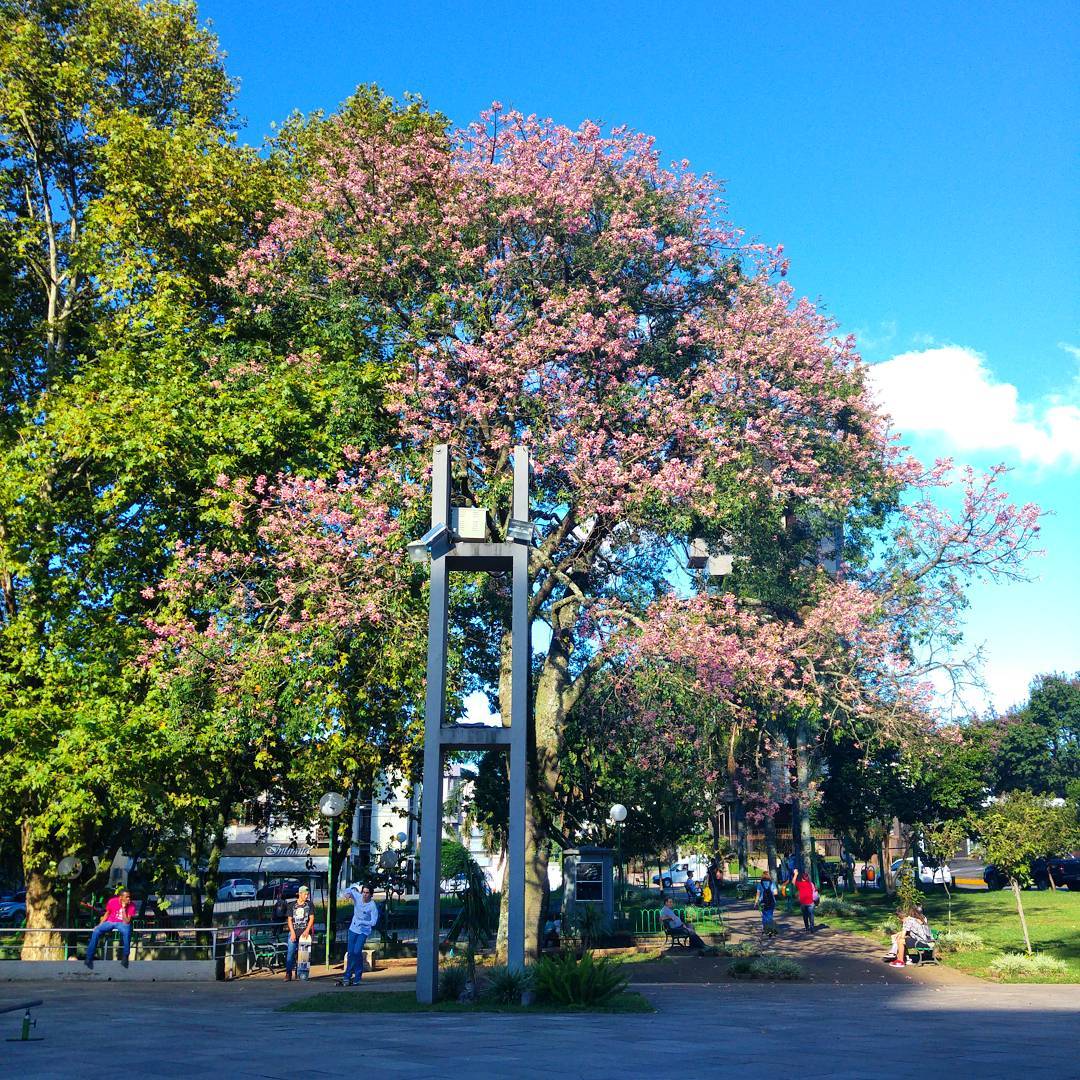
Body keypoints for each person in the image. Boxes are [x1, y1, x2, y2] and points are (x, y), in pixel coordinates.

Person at [84, 889, 137, 969]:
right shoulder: (112, 901)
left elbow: (126, 921)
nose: (129, 899)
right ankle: (89, 958)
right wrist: (99, 925)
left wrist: (123, 908)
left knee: (127, 931)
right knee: (96, 931)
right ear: (121, 897)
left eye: (129, 897)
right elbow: (107, 913)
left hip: (122, 923)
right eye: (127, 897)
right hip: (110, 921)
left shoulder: (131, 905)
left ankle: (125, 956)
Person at [340, 882, 379, 986]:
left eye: (367, 893)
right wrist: (347, 894)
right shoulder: (357, 896)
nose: (365, 895)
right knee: (350, 952)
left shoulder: (372, 906)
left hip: (364, 930)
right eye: (364, 892)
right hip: (353, 928)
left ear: (371, 895)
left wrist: (363, 922)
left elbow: (373, 922)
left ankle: (357, 975)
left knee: (357, 952)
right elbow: (348, 890)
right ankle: (347, 976)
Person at [284, 885, 315, 981]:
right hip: (294, 932)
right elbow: (289, 920)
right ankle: (288, 973)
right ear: (300, 894)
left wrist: (307, 930)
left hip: (304, 934)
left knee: (303, 955)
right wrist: (292, 932)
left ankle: (301, 973)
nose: (307, 896)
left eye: (308, 894)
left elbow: (311, 918)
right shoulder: (292, 905)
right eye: (305, 894)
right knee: (290, 953)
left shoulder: (309, 904)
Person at [753, 871, 778, 936]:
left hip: (762, 902)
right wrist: (770, 894)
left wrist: (755, 902)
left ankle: (765, 929)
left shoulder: (760, 884)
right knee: (770, 915)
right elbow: (776, 893)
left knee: (764, 916)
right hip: (771, 902)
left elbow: (758, 894)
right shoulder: (772, 883)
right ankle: (770, 929)